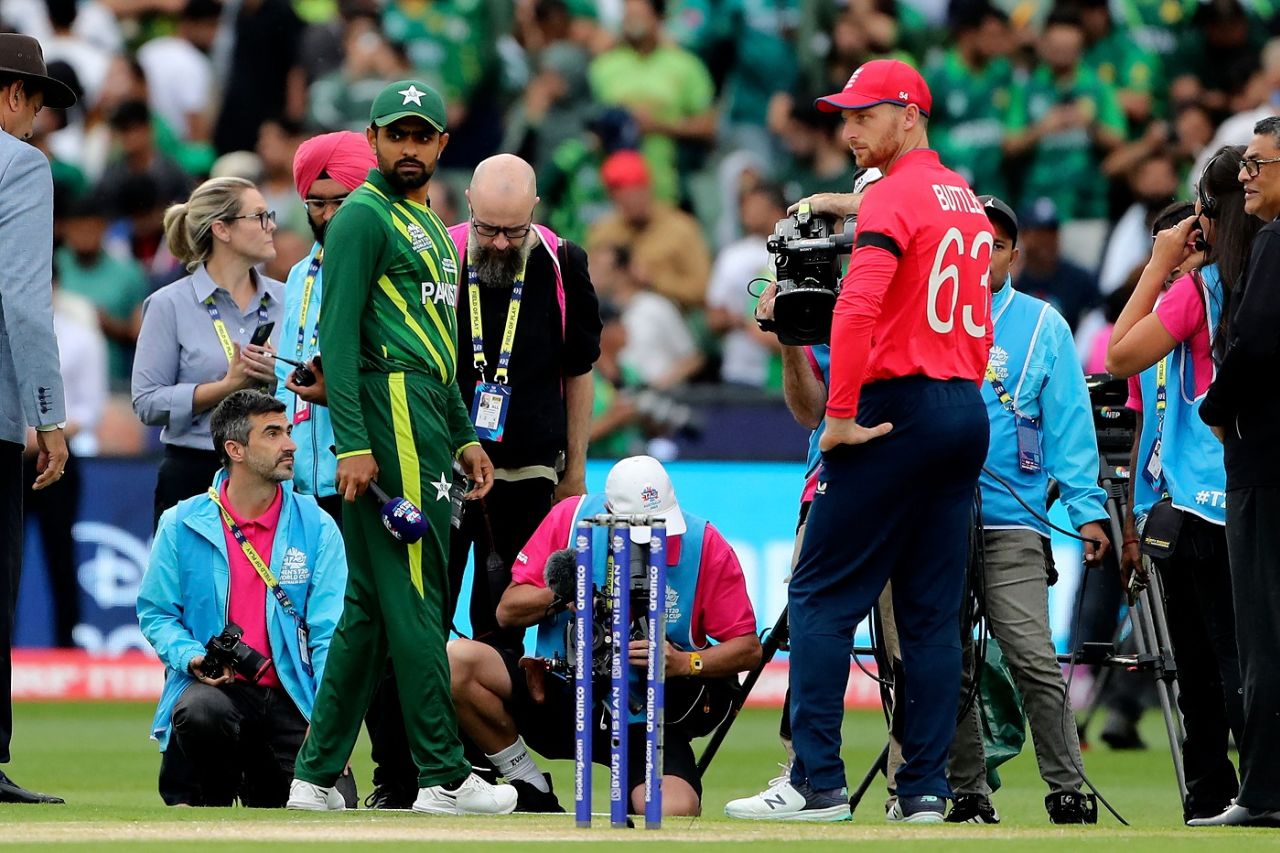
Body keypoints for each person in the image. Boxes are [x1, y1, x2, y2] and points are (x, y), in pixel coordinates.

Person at [728, 59, 993, 824]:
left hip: (893, 409)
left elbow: (858, 308)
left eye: (863, 114)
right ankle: (926, 791)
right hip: (961, 409)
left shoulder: (898, 196)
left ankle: (816, 782)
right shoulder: (964, 199)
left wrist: (839, 414)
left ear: (908, 114)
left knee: (817, 596)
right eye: (843, 116)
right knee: (932, 616)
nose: (847, 130)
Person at [286, 79, 515, 816]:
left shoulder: (428, 225)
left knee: (369, 612)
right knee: (417, 598)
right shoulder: (361, 217)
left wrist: (462, 432)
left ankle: (315, 776)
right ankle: (444, 776)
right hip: (386, 416)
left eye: (422, 136)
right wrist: (353, 440)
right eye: (396, 135)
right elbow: (338, 338)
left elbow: (439, 348)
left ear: (443, 145)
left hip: (424, 414)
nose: (409, 148)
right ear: (375, 140)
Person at [448, 455, 761, 815]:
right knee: (457, 661)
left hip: (646, 718)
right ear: (608, 512)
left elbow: (747, 649)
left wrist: (684, 662)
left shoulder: (703, 544)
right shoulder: (570, 517)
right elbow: (507, 610)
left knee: (673, 809)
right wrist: (562, 594)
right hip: (559, 693)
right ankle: (529, 784)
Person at [945, 196, 1109, 826]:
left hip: (1012, 521)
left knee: (1033, 656)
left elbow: (1070, 425)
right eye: (970, 242)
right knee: (949, 659)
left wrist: (1088, 508)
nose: (980, 254)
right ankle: (965, 792)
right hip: (938, 516)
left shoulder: (1044, 324)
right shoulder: (928, 315)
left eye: (994, 244)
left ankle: (1068, 786)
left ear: (1013, 256)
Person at [1107, 148, 1255, 824]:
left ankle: (1215, 792)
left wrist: (1160, 262)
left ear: (1203, 214)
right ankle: (1254, 787)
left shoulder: (1196, 292)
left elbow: (1119, 354)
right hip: (1252, 491)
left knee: (1201, 664)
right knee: (1245, 655)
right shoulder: (1263, 276)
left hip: (1195, 502)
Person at [136, 390, 348, 807]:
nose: (290, 444)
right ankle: (212, 798)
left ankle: (261, 788)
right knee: (200, 712)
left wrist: (328, 724)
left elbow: (330, 635)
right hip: (218, 690)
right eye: (272, 434)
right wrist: (191, 656)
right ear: (235, 449)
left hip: (294, 701)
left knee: (332, 817)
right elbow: (156, 613)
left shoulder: (318, 525)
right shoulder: (180, 522)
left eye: (288, 431)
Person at [1189, 116, 1280, 827]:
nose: (1245, 176)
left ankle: (1263, 791)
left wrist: (1216, 406)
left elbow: (1251, 346)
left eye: (1259, 164)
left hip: (1264, 461)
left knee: (1264, 633)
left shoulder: (1275, 244)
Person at [0, 32, 77, 804]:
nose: (38, 123)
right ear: (15, 95)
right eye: (38, 104)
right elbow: (22, 299)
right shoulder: (19, 164)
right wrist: (47, 415)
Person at [131, 176, 284, 529]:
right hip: (194, 473)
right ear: (222, 229)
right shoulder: (168, 304)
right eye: (259, 216)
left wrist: (281, 377)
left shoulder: (288, 299)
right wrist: (226, 387)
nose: (271, 225)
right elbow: (146, 402)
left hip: (271, 475)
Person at [273, 130, 377, 526]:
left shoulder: (383, 270)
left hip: (365, 469)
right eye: (317, 203)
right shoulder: (300, 274)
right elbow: (286, 376)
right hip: (301, 482)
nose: (330, 214)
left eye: (341, 201)